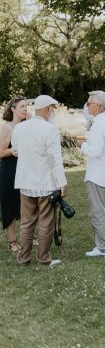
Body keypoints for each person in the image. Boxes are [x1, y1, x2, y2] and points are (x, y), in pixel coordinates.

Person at [11, 95, 67, 267]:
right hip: (44, 183)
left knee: (26, 223)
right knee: (45, 222)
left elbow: (15, 148)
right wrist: (62, 181)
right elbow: (54, 159)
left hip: (25, 182)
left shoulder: (20, 127)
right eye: (53, 109)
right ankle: (44, 259)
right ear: (48, 109)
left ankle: (24, 259)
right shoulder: (49, 129)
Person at [77, 90, 105, 258]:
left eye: (89, 103)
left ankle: (103, 248)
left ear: (98, 106)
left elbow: (95, 151)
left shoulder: (98, 124)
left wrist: (81, 145)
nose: (87, 106)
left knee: (98, 212)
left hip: (98, 174)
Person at [0, 97, 28, 253]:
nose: (25, 109)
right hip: (9, 171)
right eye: (22, 106)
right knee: (10, 206)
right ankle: (12, 242)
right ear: (13, 109)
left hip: (24, 170)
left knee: (25, 205)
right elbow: (0, 152)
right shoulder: (7, 127)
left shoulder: (25, 125)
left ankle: (27, 237)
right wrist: (13, 150)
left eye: (27, 106)